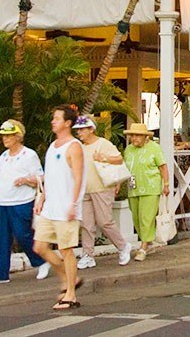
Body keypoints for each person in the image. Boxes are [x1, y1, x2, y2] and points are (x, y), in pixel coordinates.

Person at [33, 105, 87, 311]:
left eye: (56, 118)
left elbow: (79, 178)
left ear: (67, 123)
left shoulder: (74, 146)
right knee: (40, 247)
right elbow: (51, 175)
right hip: (50, 206)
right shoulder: (53, 145)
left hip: (66, 207)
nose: (53, 121)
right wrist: (42, 198)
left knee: (66, 250)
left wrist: (74, 203)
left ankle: (71, 295)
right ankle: (67, 278)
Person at [0, 119, 51, 286]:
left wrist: (27, 180)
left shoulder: (29, 155)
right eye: (3, 136)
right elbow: (1, 178)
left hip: (21, 201)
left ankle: (41, 261)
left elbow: (41, 177)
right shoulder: (3, 157)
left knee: (23, 234)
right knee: (1, 237)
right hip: (2, 202)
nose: (5, 139)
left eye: (8, 135)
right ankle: (1, 274)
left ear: (17, 136)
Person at [73, 115, 132, 269]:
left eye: (81, 129)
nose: (79, 133)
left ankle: (123, 246)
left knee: (104, 221)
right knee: (86, 224)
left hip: (102, 188)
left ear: (91, 129)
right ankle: (88, 254)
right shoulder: (79, 147)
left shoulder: (103, 144)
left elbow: (119, 159)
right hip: (85, 190)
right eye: (77, 130)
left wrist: (104, 158)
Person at [123, 122, 169, 262]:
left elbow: (162, 167)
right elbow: (124, 168)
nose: (134, 138)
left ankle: (143, 247)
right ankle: (147, 242)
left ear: (145, 137)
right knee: (136, 217)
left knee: (146, 217)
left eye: (138, 136)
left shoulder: (154, 148)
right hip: (133, 188)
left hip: (150, 187)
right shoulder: (129, 149)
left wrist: (166, 184)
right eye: (133, 135)